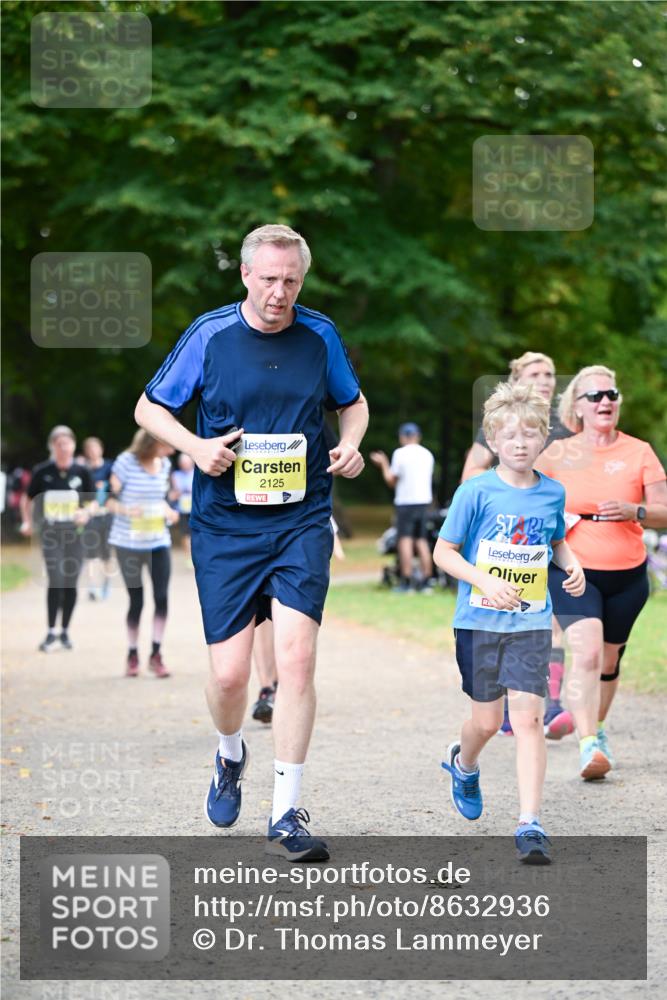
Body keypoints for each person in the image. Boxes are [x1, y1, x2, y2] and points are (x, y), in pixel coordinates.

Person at [134, 223, 368, 860]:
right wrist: (196, 446)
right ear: (245, 274)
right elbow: (149, 410)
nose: (279, 292)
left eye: (291, 280)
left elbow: (353, 403)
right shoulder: (209, 335)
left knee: (294, 662)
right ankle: (229, 751)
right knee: (231, 675)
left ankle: (287, 810)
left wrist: (350, 445)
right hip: (225, 525)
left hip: (300, 518)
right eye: (268, 278)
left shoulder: (318, 334)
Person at [434, 382, 585, 864]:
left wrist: (571, 561)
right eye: (510, 435)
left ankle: (530, 822)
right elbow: (443, 552)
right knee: (486, 720)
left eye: (529, 434)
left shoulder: (553, 492)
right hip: (479, 622)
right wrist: (484, 580)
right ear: (493, 441)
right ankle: (465, 762)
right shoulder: (475, 491)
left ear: (543, 440)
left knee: (529, 720)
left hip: (531, 621)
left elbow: (554, 538)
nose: (520, 443)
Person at [536, 365, 667, 779]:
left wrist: (637, 511)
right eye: (594, 396)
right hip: (574, 569)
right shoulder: (557, 454)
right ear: (577, 407)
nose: (605, 401)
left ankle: (599, 727)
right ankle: (588, 744)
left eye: (610, 394)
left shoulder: (639, 451)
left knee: (610, 660)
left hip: (628, 572)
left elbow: (664, 512)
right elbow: (527, 496)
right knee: (588, 652)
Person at [461, 351, 573, 740]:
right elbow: (471, 470)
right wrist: (509, 488)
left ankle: (546, 703)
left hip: (554, 536)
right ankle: (517, 706)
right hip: (505, 544)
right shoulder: (502, 426)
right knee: (526, 623)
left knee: (550, 624)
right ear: (517, 378)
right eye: (535, 373)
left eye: (550, 373)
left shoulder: (563, 426)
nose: (545, 379)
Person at [107, 430, 179, 678]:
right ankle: (132, 654)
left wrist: (169, 511)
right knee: (136, 600)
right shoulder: (126, 462)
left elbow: (160, 499)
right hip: (128, 542)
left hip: (158, 540)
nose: (173, 448)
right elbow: (107, 500)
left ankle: (156, 654)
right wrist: (127, 511)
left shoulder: (165, 464)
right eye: (169, 442)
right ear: (155, 440)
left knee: (162, 597)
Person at [20, 426, 94, 652]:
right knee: (55, 579)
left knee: (70, 583)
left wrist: (86, 512)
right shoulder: (43, 471)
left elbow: (92, 501)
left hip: (75, 535)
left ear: (73, 445)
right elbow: (28, 498)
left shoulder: (82, 472)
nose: (63, 447)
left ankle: (65, 632)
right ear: (52, 446)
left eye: (67, 443)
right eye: (59, 444)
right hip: (51, 534)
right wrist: (27, 521)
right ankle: (51, 631)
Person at [370, 423, 435, 592]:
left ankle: (406, 581)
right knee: (421, 540)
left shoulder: (400, 454)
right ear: (418, 436)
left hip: (406, 502)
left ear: (403, 437)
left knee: (404, 540)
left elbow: (391, 480)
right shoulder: (427, 454)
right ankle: (427, 580)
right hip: (423, 502)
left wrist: (384, 463)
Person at [82, 436, 114, 600]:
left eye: (95, 448)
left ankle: (106, 583)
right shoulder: (84, 470)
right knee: (91, 554)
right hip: (91, 517)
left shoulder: (110, 467)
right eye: (90, 449)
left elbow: (117, 488)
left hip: (107, 515)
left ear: (101, 449)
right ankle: (93, 587)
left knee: (106, 554)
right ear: (86, 452)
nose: (93, 451)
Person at [170, 452, 195, 562]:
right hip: (182, 509)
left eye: (187, 463)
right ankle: (188, 557)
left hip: (195, 508)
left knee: (195, 533)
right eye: (183, 463)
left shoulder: (196, 473)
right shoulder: (176, 475)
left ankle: (196, 555)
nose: (185, 465)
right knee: (185, 533)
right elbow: (174, 492)